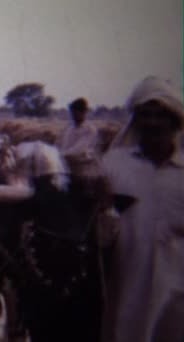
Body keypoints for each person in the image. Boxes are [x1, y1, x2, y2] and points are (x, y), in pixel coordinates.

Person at [101, 76, 184, 342]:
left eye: (161, 115)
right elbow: (99, 236)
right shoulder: (114, 165)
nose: (152, 122)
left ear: (175, 121)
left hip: (177, 290)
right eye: (145, 115)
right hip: (127, 283)